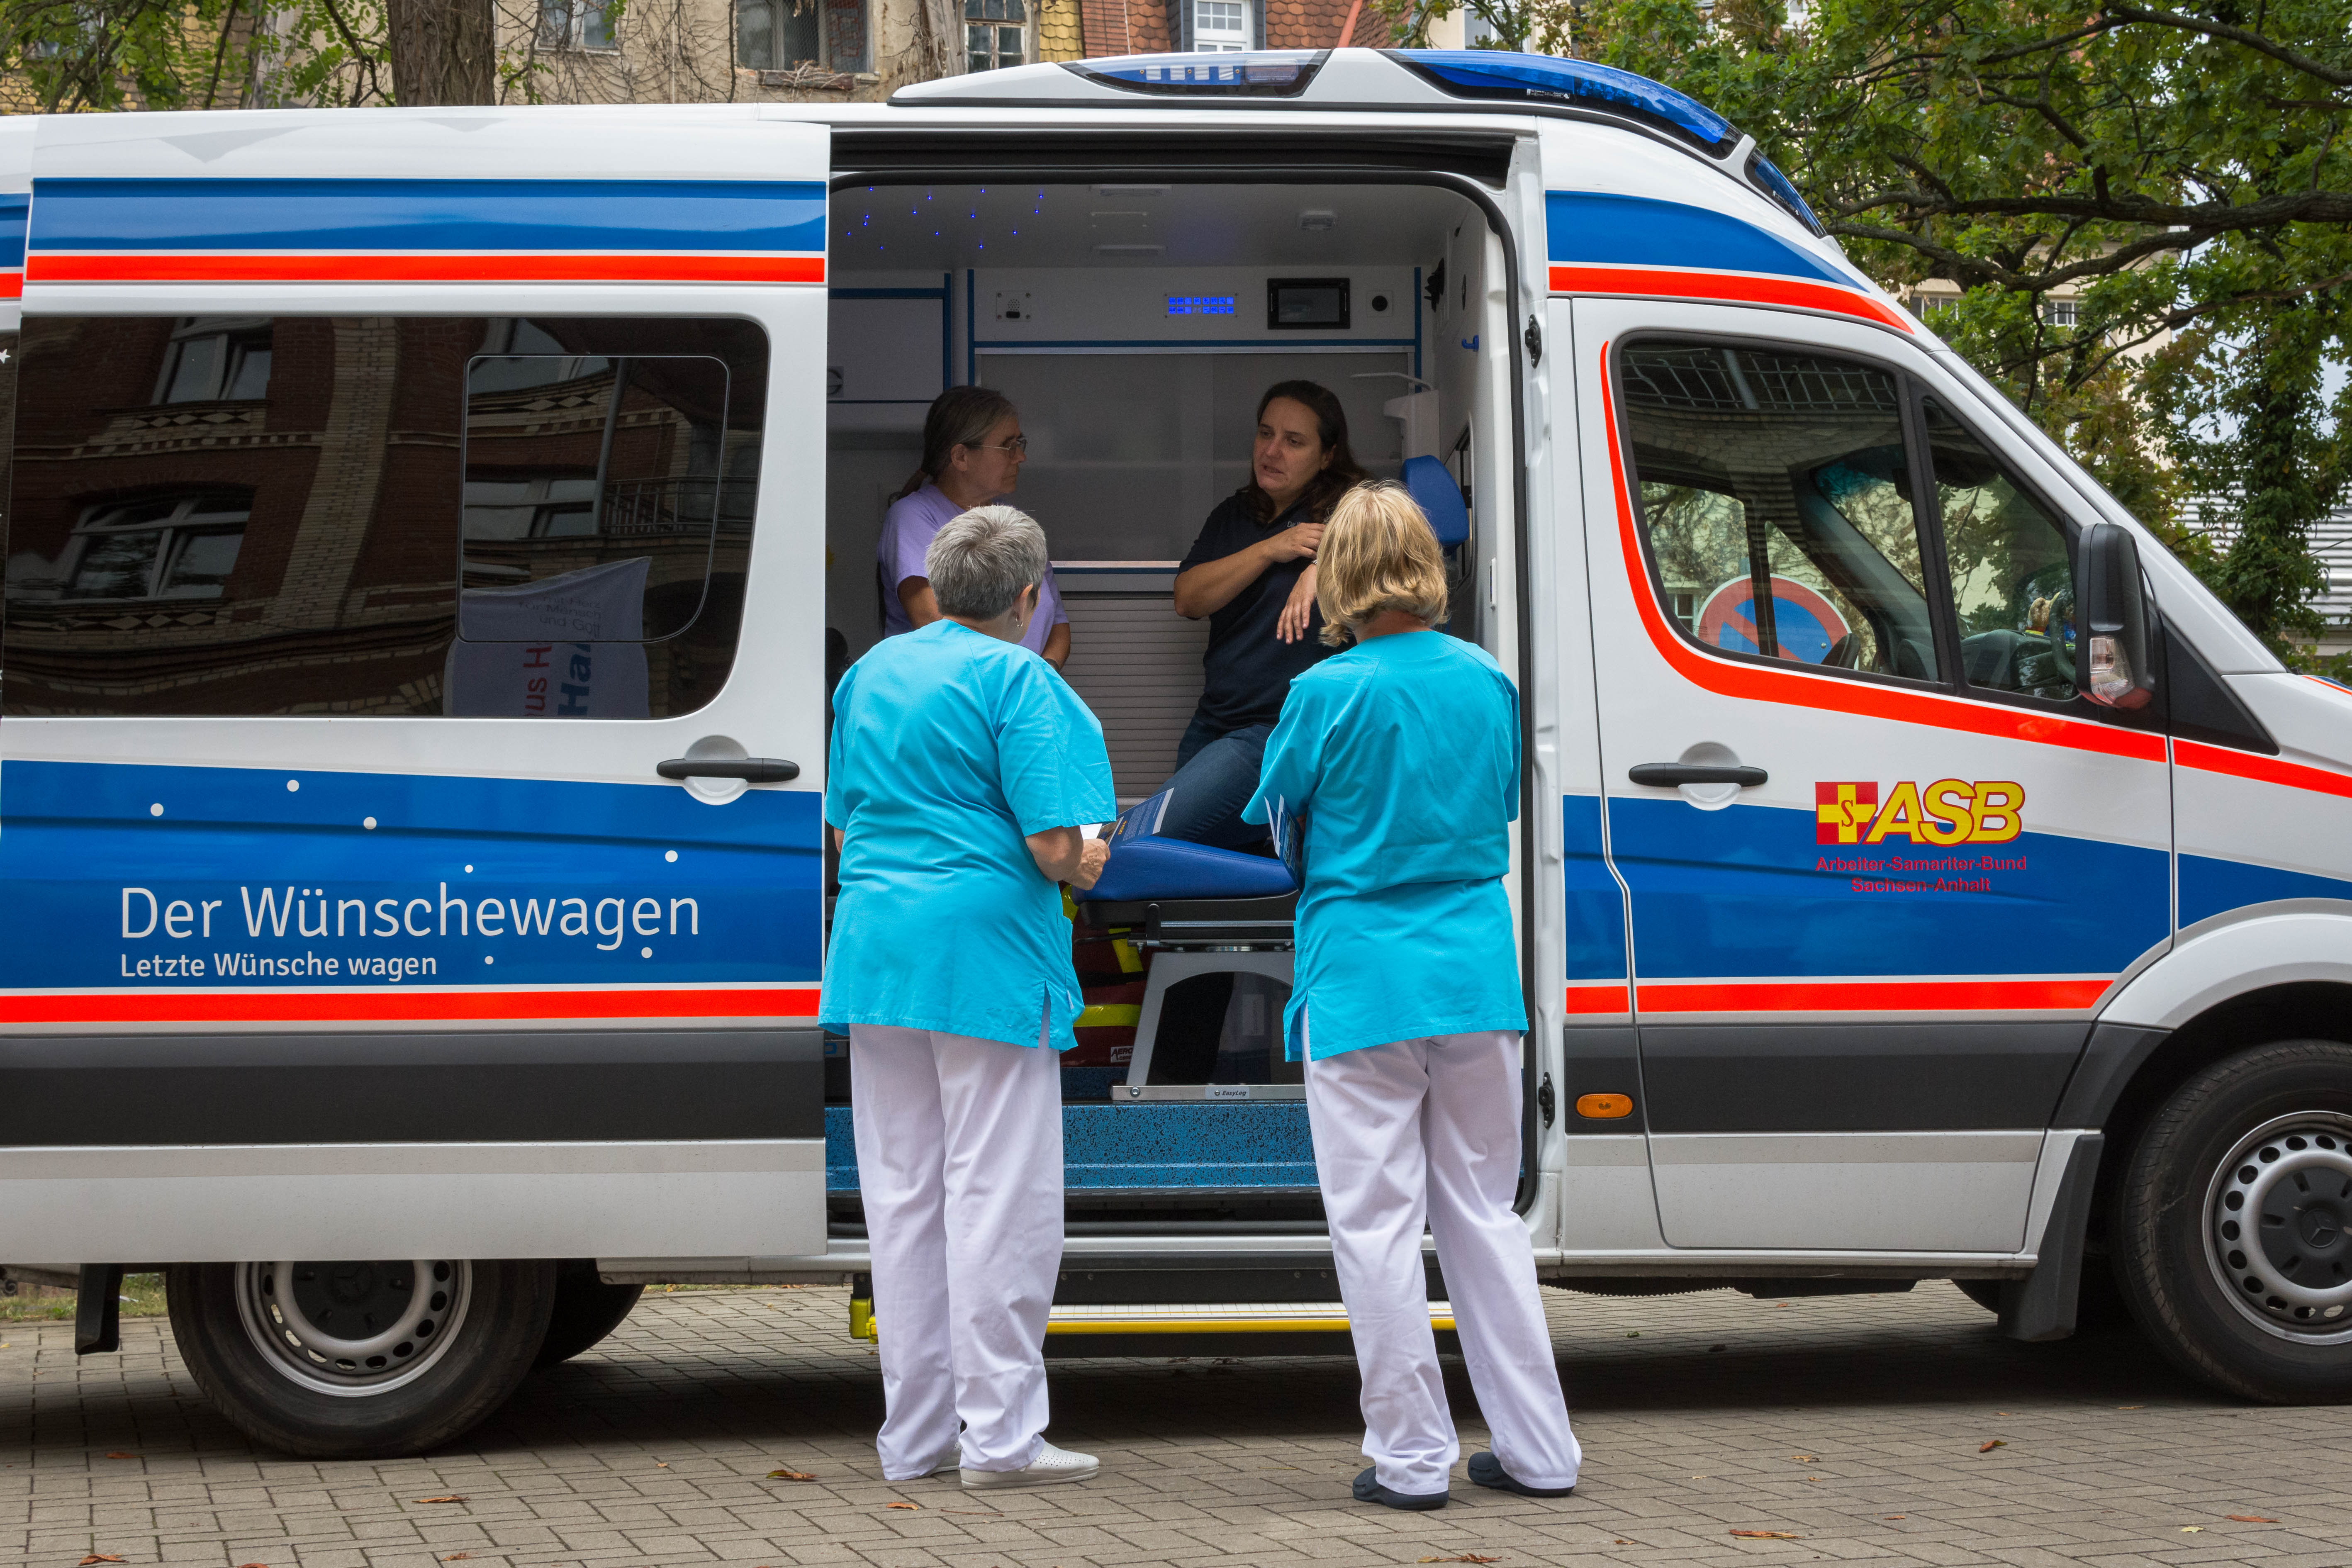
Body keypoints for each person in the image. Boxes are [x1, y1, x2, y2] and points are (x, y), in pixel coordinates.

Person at [1243, 481, 1581, 1511]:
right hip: (1475, 979)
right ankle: (1540, 1453)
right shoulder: (1488, 680)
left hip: (1360, 984)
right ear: (1427, 569)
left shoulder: (1324, 692)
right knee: (1484, 1216)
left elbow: (1277, 818)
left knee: (1377, 1227)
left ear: (1340, 575)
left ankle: (1411, 1461)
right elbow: (1496, 809)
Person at [821, 505, 1114, 1490]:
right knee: (999, 1199)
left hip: (876, 953)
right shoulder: (1023, 681)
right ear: (1029, 598)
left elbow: (842, 832)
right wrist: (1090, 857)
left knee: (901, 1201)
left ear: (938, 588)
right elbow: (1049, 845)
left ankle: (911, 1440)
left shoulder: (869, 675)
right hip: (984, 957)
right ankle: (1000, 1438)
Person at [1158, 380, 1367, 847]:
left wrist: (1319, 565)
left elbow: (1391, 555)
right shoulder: (1235, 514)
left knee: (1157, 835)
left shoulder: (1353, 512)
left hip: (1278, 731)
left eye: (1294, 442)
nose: (1272, 451)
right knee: (1179, 858)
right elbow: (1188, 600)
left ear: (1328, 456)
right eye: (1265, 434)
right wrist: (1272, 548)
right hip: (1213, 722)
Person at [880, 386, 1071, 671]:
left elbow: (1057, 622)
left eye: (1020, 443)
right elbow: (934, 624)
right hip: (955, 700)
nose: (1020, 457)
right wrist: (1010, 687)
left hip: (1019, 700)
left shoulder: (1016, 525)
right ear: (961, 457)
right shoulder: (913, 517)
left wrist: (1041, 677)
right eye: (1008, 446)